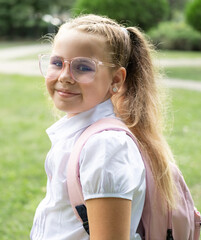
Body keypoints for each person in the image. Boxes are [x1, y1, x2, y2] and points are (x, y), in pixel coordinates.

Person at [31, 14, 176, 240]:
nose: (65, 76)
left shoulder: (105, 146)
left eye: (83, 67)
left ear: (116, 80)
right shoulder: (80, 133)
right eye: (57, 63)